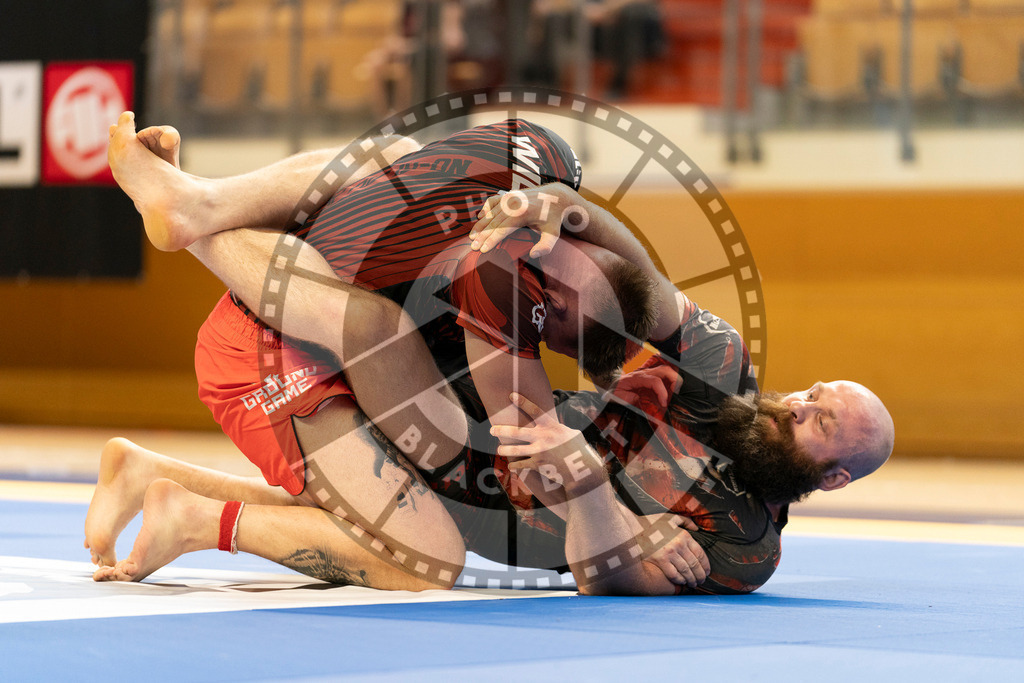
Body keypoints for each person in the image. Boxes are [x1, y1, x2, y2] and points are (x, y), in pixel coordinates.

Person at [89, 115, 894, 595]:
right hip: (303, 337)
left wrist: (593, 498)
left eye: (819, 423)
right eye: (814, 391)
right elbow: (642, 283)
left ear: (831, 476)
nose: (798, 404)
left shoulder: (746, 541)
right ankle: (197, 208)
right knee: (435, 170)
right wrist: (569, 212)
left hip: (369, 382)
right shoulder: (723, 370)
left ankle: (184, 502)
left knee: (421, 533)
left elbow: (605, 579)